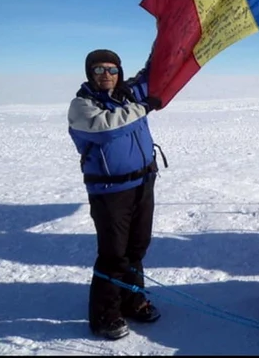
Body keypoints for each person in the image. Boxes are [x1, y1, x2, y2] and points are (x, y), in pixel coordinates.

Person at [67, 49, 165, 340]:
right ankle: (104, 315)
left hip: (143, 183)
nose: (107, 75)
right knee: (114, 255)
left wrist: (163, 35)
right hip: (110, 191)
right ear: (90, 74)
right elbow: (105, 128)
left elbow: (154, 72)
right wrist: (144, 107)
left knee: (136, 249)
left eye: (111, 69)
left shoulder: (129, 94)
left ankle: (132, 301)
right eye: (99, 70)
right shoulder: (81, 105)